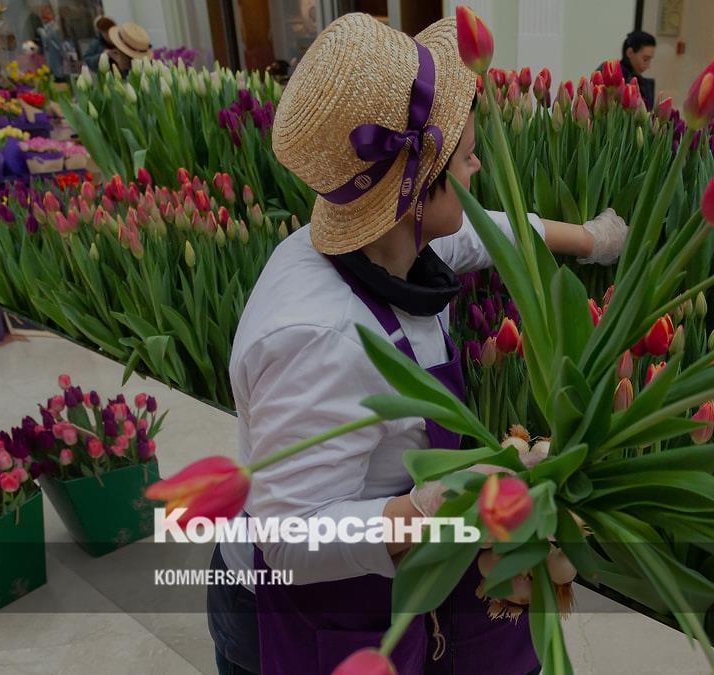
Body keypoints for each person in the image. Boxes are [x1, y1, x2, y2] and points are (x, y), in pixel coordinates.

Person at [209, 13, 628, 675]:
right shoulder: (322, 338)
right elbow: (289, 538)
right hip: (303, 609)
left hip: (377, 585)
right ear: (413, 189)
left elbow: (475, 230)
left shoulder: (385, 239)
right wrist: (423, 507)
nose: (477, 163)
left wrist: (590, 240)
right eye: (464, 156)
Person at [620, 30, 657, 110]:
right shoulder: (612, 77)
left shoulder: (642, 83)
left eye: (650, 60)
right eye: (645, 59)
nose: (648, 66)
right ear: (630, 53)